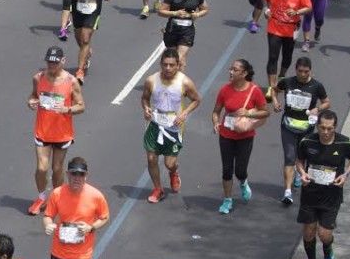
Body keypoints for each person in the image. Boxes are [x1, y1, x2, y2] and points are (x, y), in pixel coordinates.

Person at [295, 109, 350, 259]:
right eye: (322, 128)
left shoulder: (344, 143)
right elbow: (299, 161)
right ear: (317, 126)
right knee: (308, 232)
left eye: (329, 129)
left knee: (324, 234)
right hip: (310, 194)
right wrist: (302, 173)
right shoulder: (307, 141)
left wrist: (345, 174)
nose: (325, 132)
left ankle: (328, 249)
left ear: (335, 127)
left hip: (331, 196)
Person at [27, 46, 85, 217]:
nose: (51, 65)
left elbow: (81, 106)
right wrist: (31, 102)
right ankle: (41, 197)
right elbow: (32, 96)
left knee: (57, 169)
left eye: (55, 62)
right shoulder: (38, 78)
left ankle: (57, 199)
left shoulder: (71, 81)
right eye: (49, 62)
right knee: (41, 168)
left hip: (62, 133)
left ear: (63, 61)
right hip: (42, 131)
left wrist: (66, 109)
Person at [141, 48, 201, 203]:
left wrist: (185, 113)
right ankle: (158, 189)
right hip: (155, 123)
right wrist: (146, 108)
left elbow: (196, 100)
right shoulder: (151, 80)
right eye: (165, 65)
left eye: (171, 65)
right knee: (151, 158)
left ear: (178, 65)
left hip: (174, 127)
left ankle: (173, 172)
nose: (168, 68)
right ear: (160, 64)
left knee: (169, 163)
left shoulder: (185, 82)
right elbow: (145, 98)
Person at [211, 59, 269, 215]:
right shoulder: (224, 90)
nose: (231, 72)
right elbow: (216, 111)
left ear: (244, 73)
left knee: (240, 170)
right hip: (226, 135)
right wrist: (216, 122)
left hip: (245, 136)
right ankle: (227, 200)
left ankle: (243, 182)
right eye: (230, 69)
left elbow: (265, 112)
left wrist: (249, 112)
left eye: (235, 70)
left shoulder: (255, 91)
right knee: (227, 169)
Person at [272, 57, 329, 206]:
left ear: (311, 71)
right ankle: (288, 192)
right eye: (300, 71)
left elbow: (327, 102)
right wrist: (276, 102)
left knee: (302, 156)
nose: (303, 74)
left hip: (307, 127)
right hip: (288, 126)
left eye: (306, 71)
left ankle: (299, 173)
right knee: (290, 157)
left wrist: (318, 109)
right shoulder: (288, 82)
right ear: (295, 70)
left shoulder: (317, 86)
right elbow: (274, 90)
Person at [61, 0, 113, 84]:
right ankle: (86, 53)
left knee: (85, 38)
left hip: (93, 9)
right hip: (78, 9)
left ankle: (80, 71)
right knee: (80, 39)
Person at [263, 0, 313, 101]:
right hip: (274, 25)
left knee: (287, 56)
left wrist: (296, 11)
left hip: (291, 28)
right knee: (273, 56)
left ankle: (281, 76)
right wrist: (268, 10)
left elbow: (308, 7)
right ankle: (271, 87)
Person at [158, 0, 208, 72]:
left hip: (187, 30)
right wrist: (175, 13)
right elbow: (160, 11)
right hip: (172, 29)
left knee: (179, 57)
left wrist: (197, 14)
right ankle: (171, 77)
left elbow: (205, 9)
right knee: (172, 57)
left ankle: (179, 82)